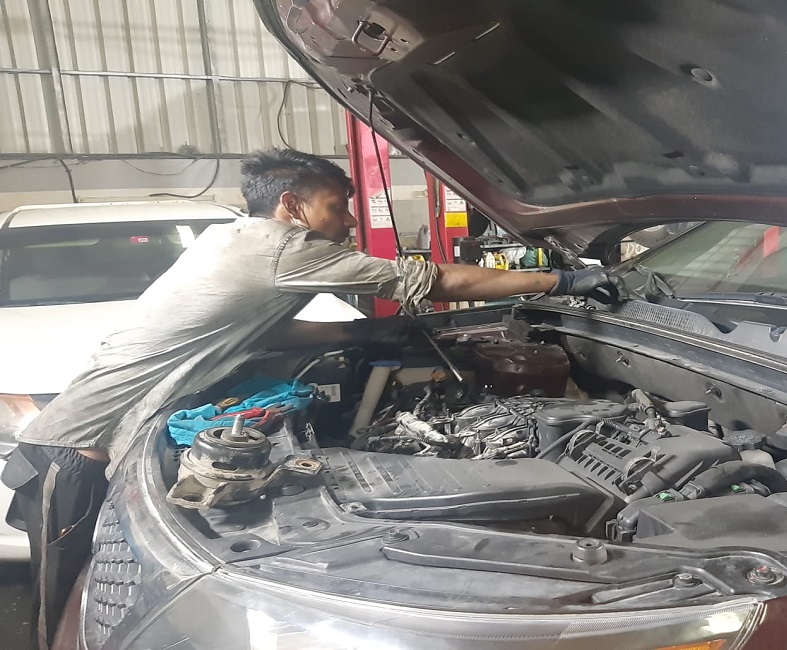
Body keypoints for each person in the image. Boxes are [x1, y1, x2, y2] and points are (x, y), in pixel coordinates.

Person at [1, 148, 613, 649]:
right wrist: (563, 279)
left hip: (97, 446)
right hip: (75, 453)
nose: (348, 223)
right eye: (336, 208)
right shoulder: (281, 249)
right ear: (291, 205)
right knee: (76, 605)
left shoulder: (233, 240)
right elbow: (435, 280)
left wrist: (357, 334)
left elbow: (261, 330)